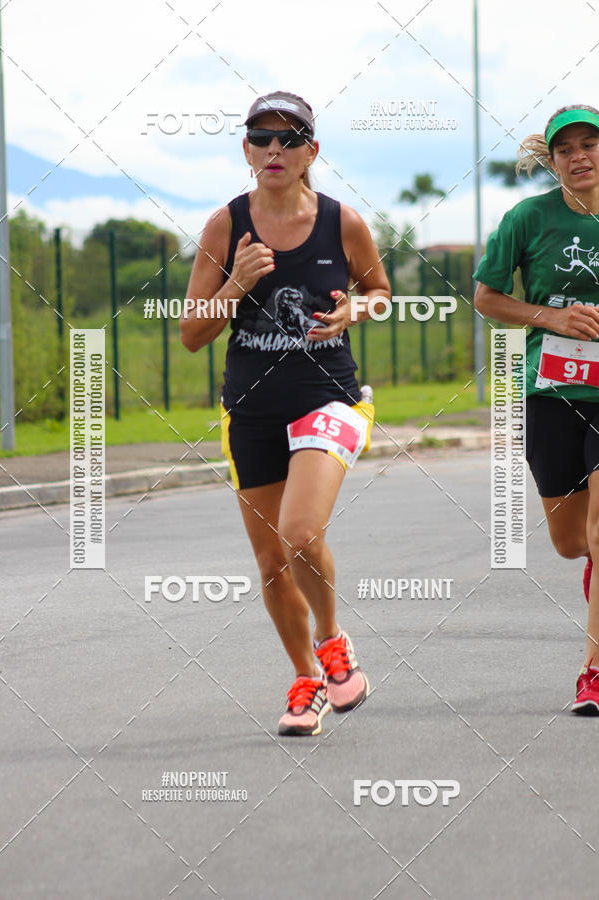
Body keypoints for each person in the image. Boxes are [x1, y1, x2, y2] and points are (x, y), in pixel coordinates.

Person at [181, 91, 390, 735]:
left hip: (331, 399)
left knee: (300, 533)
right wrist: (236, 283)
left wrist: (356, 309)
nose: (275, 149)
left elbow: (381, 295)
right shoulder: (225, 227)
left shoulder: (343, 223)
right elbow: (192, 332)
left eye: (289, 138)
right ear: (246, 150)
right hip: (251, 412)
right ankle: (307, 681)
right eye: (261, 138)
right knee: (273, 560)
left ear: (311, 153)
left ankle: (331, 639)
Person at [474, 104, 599, 714]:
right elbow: (486, 297)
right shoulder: (528, 217)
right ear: (552, 161)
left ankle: (593, 673)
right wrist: (551, 316)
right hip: (551, 390)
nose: (580, 156)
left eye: (590, 144)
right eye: (566, 149)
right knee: (573, 540)